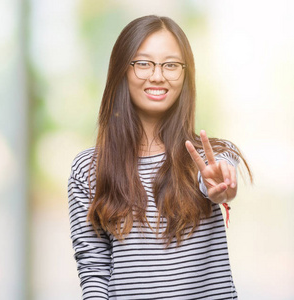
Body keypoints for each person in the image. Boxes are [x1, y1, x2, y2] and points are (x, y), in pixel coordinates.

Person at [67, 15, 252, 299]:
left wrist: (219, 187)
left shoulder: (211, 157)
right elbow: (93, 267)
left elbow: (217, 183)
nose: (157, 75)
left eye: (171, 65)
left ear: (185, 74)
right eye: (143, 63)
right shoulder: (88, 168)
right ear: (122, 70)